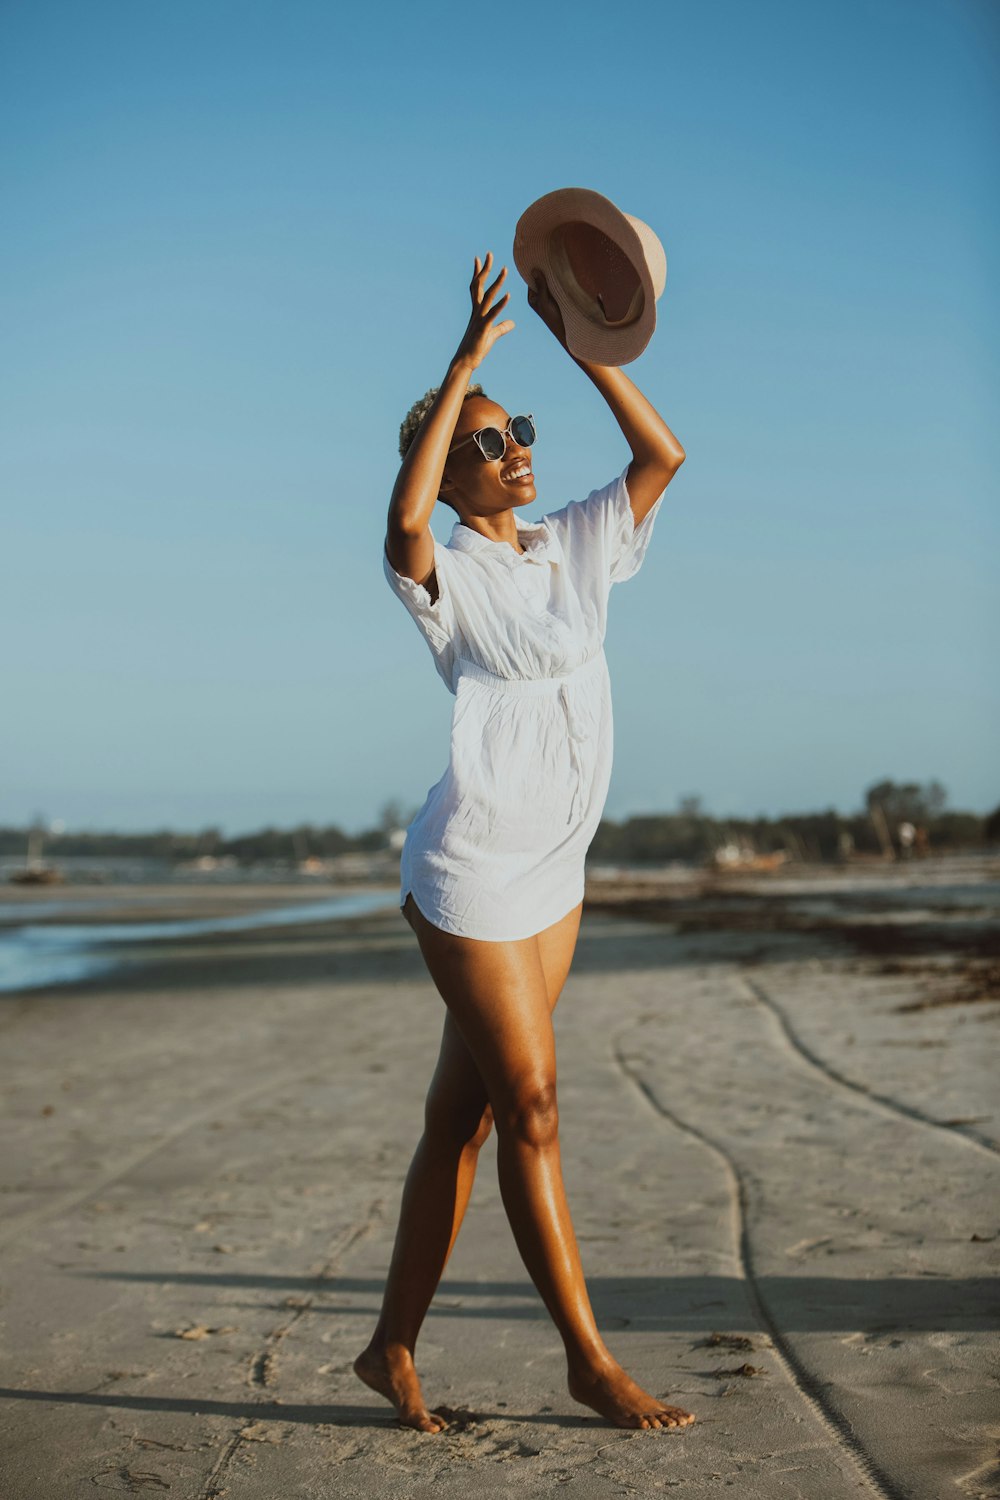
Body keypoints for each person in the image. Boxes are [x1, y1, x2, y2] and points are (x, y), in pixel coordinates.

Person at [356, 250, 691, 1434]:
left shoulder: (572, 545)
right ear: (450, 477)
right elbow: (398, 517)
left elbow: (664, 457)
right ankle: (587, 1361)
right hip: (471, 874)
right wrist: (462, 371)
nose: (513, 454)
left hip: (557, 868)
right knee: (535, 1106)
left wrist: (584, 348)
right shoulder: (439, 569)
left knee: (469, 1117)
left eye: (517, 434)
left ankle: (389, 1346)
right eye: (487, 446)